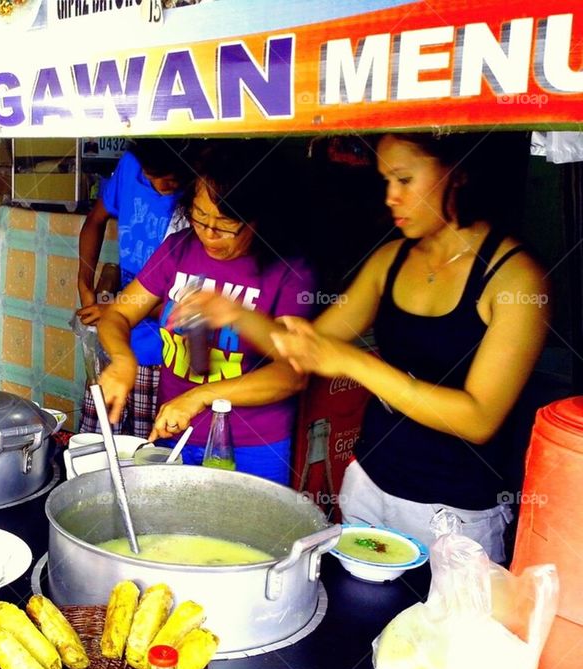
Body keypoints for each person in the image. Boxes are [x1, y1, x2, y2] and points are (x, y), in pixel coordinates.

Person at [176, 133, 548, 561]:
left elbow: (479, 417)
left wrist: (353, 362)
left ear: (458, 173)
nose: (390, 196)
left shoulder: (516, 278)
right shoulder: (390, 259)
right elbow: (304, 347)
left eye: (405, 179)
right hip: (370, 484)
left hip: (457, 509)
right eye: (385, 179)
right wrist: (234, 313)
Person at [96, 141, 316, 483]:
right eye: (199, 216)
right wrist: (123, 359)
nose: (209, 234)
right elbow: (118, 315)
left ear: (259, 217)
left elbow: (292, 374)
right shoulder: (179, 249)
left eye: (226, 223)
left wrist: (199, 398)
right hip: (176, 434)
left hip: (253, 446)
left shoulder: (289, 270)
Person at [76, 139, 192, 438]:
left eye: (169, 179)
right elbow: (94, 221)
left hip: (163, 356)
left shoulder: (197, 206)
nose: (159, 186)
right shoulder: (131, 165)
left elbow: (188, 304)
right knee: (96, 447)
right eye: (151, 177)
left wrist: (119, 309)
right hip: (117, 348)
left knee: (145, 454)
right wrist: (84, 283)